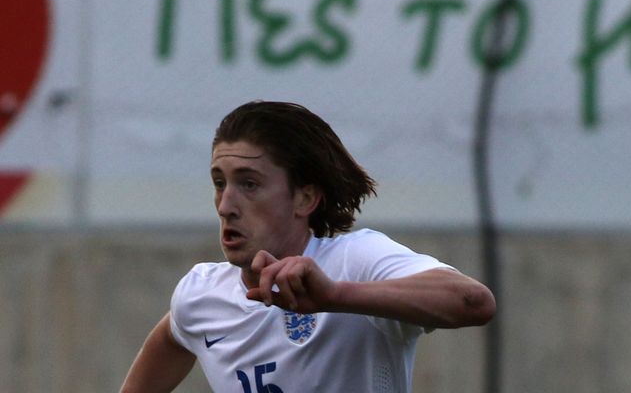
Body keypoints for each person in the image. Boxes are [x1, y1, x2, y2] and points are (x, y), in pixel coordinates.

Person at [121, 100, 496, 393]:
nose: (225, 205)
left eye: (249, 184)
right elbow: (173, 337)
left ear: (304, 198)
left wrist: (335, 296)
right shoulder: (201, 295)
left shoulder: (355, 261)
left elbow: (474, 302)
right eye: (220, 182)